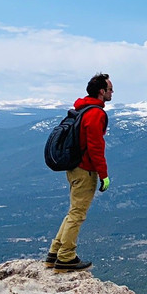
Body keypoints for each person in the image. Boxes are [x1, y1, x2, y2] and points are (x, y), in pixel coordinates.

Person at [45, 73, 113, 271]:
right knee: (78, 214)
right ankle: (66, 257)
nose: (112, 92)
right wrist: (104, 175)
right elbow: (95, 147)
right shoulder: (95, 114)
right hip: (85, 171)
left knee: (73, 211)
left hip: (74, 168)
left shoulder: (81, 109)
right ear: (101, 91)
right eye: (110, 89)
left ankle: (54, 253)